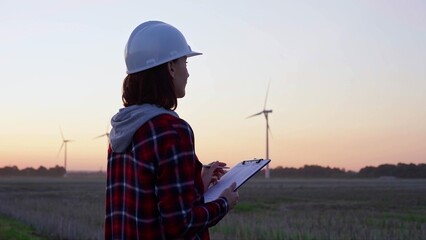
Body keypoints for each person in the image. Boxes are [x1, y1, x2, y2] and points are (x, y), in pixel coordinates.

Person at [104, 20, 239, 240]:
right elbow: (180, 225)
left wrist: (197, 185)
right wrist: (224, 202)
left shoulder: (121, 130)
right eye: (185, 62)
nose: (188, 73)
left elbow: (149, 205)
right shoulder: (172, 131)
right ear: (171, 67)